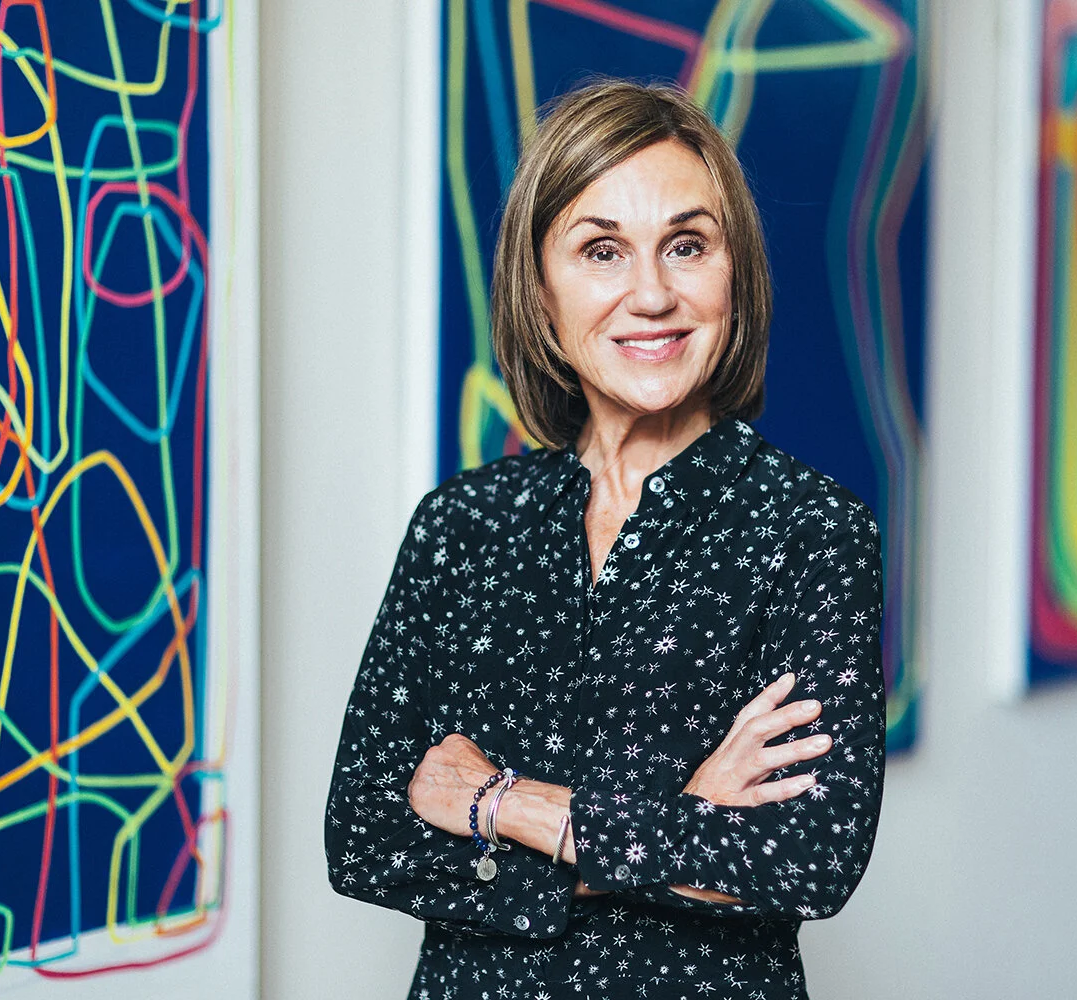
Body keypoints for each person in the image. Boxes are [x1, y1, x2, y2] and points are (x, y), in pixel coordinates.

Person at [325, 78, 885, 1000]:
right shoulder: (460, 528)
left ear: (733, 272)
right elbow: (365, 837)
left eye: (687, 245)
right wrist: (683, 821)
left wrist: (501, 804)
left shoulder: (810, 533)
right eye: (602, 251)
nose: (653, 294)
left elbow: (806, 862)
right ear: (540, 293)